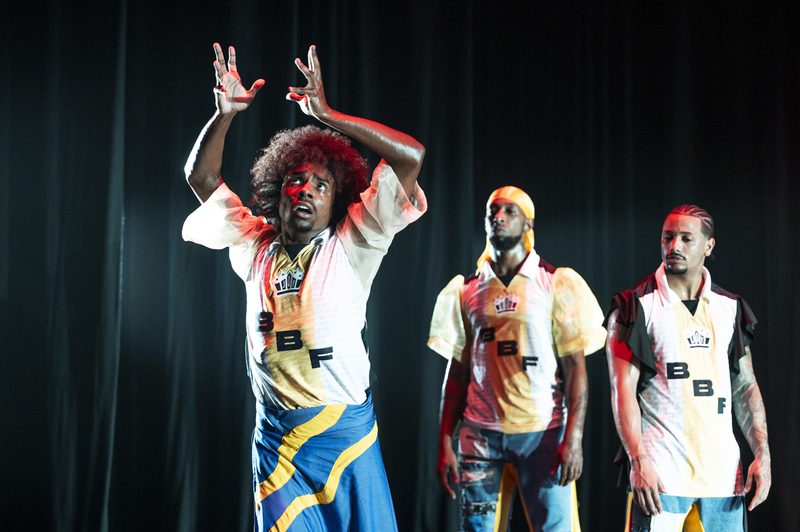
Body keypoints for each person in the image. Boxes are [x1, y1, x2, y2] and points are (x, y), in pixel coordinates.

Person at [181, 42, 426, 532]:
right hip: (279, 443)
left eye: (320, 185)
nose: (305, 190)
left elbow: (411, 156)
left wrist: (330, 116)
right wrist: (223, 115)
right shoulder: (253, 243)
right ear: (277, 190)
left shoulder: (356, 240)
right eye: (296, 180)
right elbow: (200, 176)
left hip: (346, 435)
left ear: (337, 201)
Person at [427, 186, 606, 531]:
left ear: (528, 224)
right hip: (480, 436)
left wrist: (573, 438)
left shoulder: (555, 282)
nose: (499, 217)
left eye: (510, 211)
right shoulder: (466, 289)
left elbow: (576, 370)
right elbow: (457, 374)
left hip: (542, 432)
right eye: (493, 211)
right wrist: (444, 442)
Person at [605, 204, 771, 531]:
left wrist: (762, 454)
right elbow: (621, 390)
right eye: (668, 237)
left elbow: (745, 387)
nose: (674, 246)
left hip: (723, 479)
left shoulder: (730, 307)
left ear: (709, 246)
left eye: (686, 238)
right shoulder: (633, 307)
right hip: (661, 477)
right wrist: (638, 461)